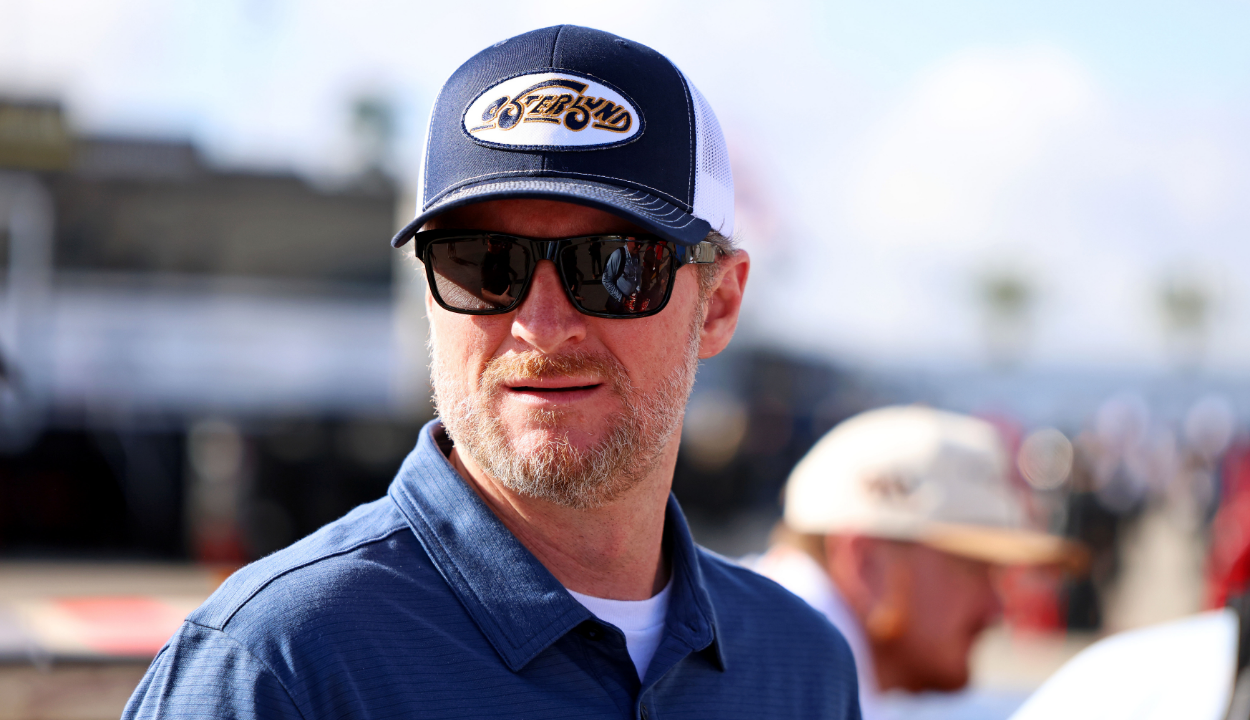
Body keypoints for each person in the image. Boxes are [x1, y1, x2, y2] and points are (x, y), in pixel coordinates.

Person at [124, 25, 861, 720]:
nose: (541, 326)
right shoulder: (279, 667)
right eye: (482, 265)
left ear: (721, 303)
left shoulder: (800, 667)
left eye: (613, 267)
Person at [754, 405, 1079, 719]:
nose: (997, 608)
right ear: (865, 565)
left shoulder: (777, 670)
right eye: (972, 568)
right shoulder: (769, 689)